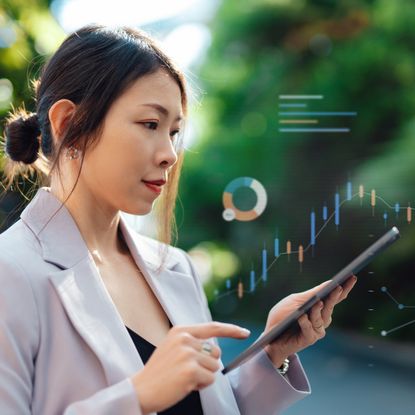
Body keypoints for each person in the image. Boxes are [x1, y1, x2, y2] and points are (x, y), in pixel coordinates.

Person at [0, 25, 356, 415]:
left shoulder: (175, 268)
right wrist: (136, 397)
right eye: (150, 124)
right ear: (68, 123)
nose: (169, 153)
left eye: (174, 132)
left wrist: (272, 353)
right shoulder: (11, 273)